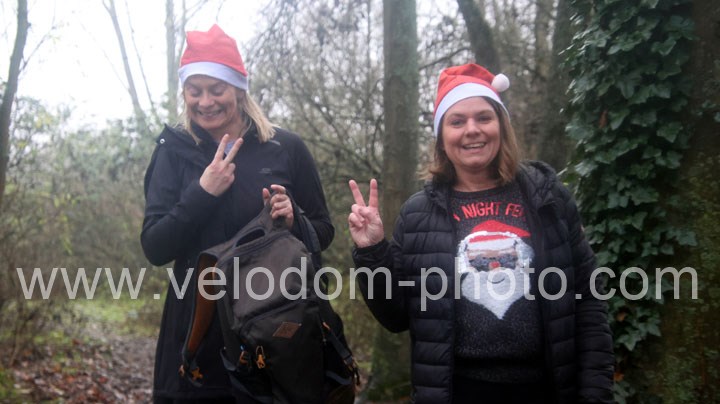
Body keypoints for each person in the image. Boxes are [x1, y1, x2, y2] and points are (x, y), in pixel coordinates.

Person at [348, 63, 614, 403]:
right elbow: (396, 317)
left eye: (483, 118)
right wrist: (372, 251)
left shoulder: (547, 197)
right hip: (458, 392)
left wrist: (595, 394)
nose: (472, 130)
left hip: (547, 389)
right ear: (442, 137)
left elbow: (588, 301)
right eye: (457, 121)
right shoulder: (418, 214)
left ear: (501, 125)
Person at [141, 24, 334, 403]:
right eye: (194, 91)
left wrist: (294, 221)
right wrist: (202, 193)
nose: (205, 102)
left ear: (239, 90)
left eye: (217, 89)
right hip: (198, 332)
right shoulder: (173, 152)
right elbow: (155, 247)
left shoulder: (284, 148)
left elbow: (323, 231)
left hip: (276, 331)